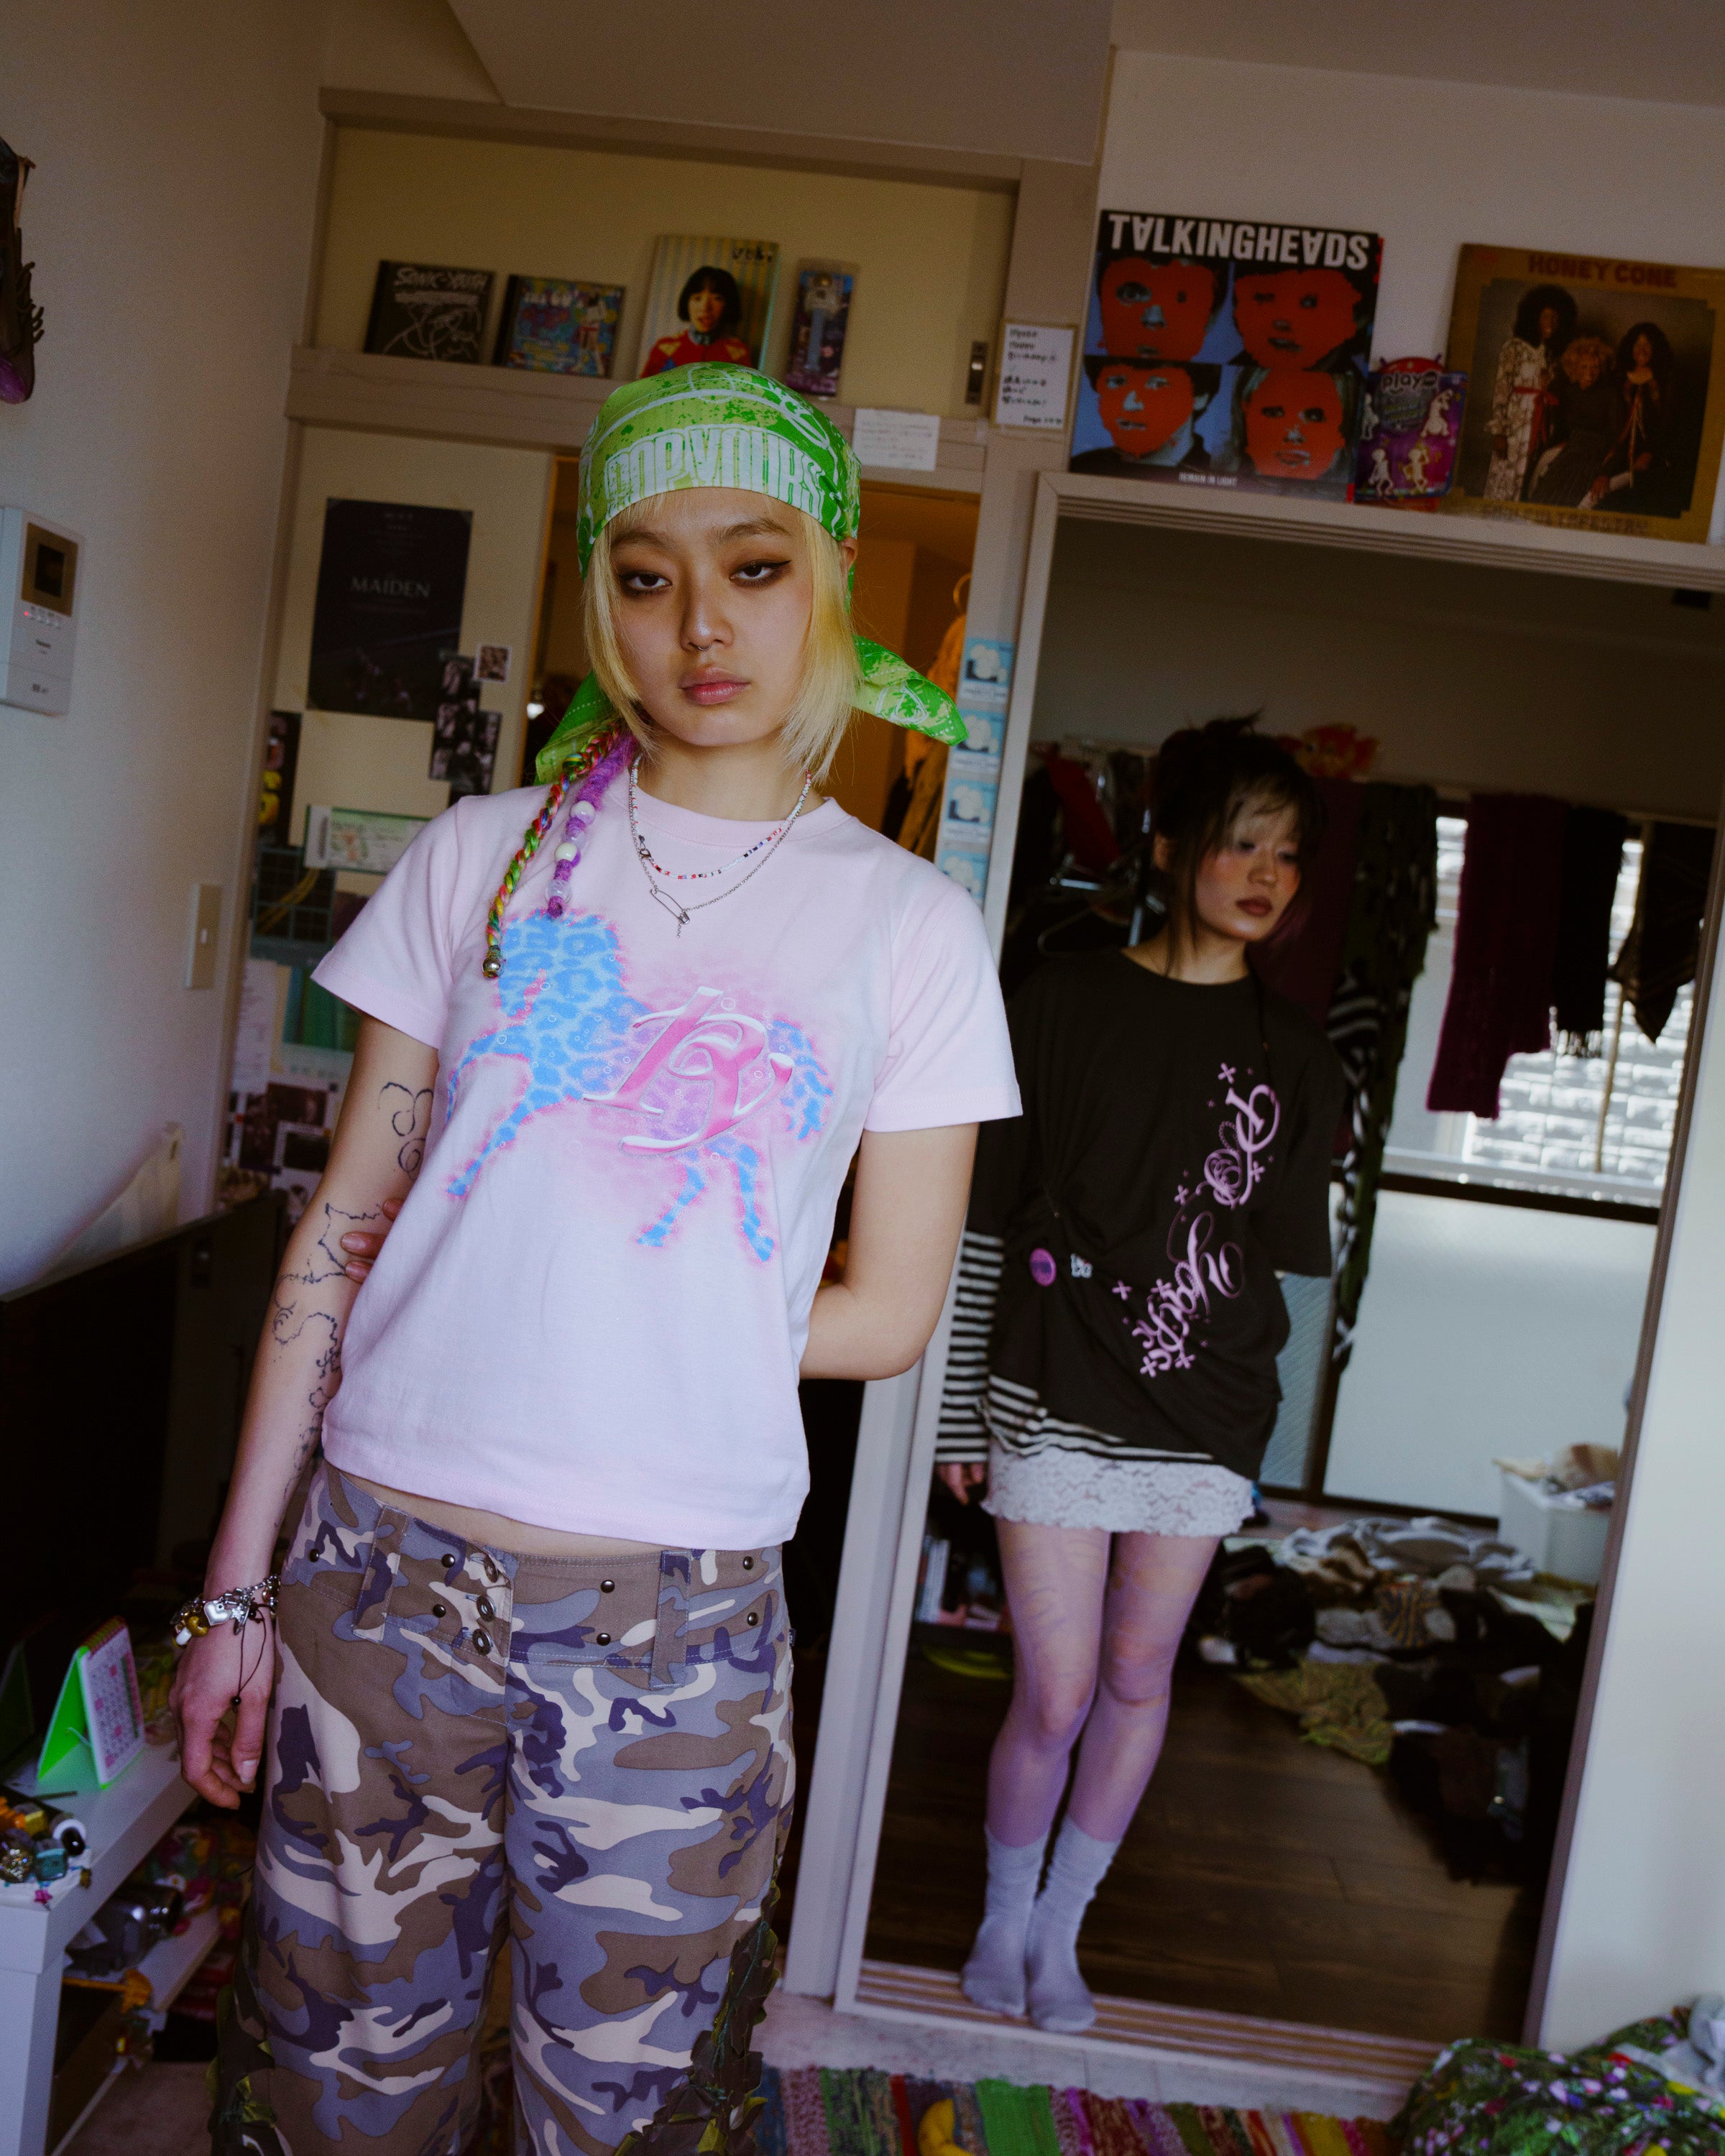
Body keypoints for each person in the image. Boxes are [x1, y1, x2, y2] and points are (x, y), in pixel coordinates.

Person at [170, 362, 1019, 2156]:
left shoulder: (912, 928)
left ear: (828, 578)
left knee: (627, 2119)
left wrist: (636, 1312)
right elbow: (342, 1233)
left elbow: (887, 1314)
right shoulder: (481, 861)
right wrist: (236, 1595)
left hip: (676, 1626)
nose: (701, 623)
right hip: (378, 1587)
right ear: (600, 606)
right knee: (335, 2099)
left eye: (753, 566)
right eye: (646, 575)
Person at [934, 719, 1345, 2035]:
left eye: (1289, 854)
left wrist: (1265, 1449)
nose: (1267, 875)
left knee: (1134, 1680)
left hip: (1205, 1416)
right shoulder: (1060, 1001)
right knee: (1053, 1690)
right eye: (1242, 843)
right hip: (1054, 1387)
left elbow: (1289, 1270)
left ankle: (1061, 1935)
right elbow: (984, 1217)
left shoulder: (1301, 1056)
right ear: (1169, 849)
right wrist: (956, 1411)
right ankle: (1001, 1918)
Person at [1482, 282, 1576, 502]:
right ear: (1534, 317)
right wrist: (1499, 433)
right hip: (1515, 424)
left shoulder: (1552, 356)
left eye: (1556, 318)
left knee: (1530, 482)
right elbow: (1502, 390)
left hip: (1540, 423)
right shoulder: (1514, 348)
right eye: (1546, 316)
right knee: (1506, 479)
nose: (1551, 322)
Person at [1070, 356, 1219, 477]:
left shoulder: (1216, 474)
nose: (1129, 405)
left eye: (1158, 385)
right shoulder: (1080, 467)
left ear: (1200, 397)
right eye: (1117, 382)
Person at [1527, 334, 1624, 508]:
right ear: (1574, 368)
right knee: (1543, 497)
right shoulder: (1570, 393)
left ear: (1602, 368)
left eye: (1595, 367)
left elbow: (1617, 440)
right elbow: (1561, 429)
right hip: (1571, 452)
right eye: (1584, 366)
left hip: (1595, 456)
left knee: (1571, 502)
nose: (1590, 372)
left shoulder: (1610, 395)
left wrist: (1605, 473)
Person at [641, 265, 754, 375]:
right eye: (697, 298)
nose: (705, 307)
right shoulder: (665, 348)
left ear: (728, 305)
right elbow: (644, 386)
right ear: (687, 303)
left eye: (717, 299)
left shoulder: (738, 352)